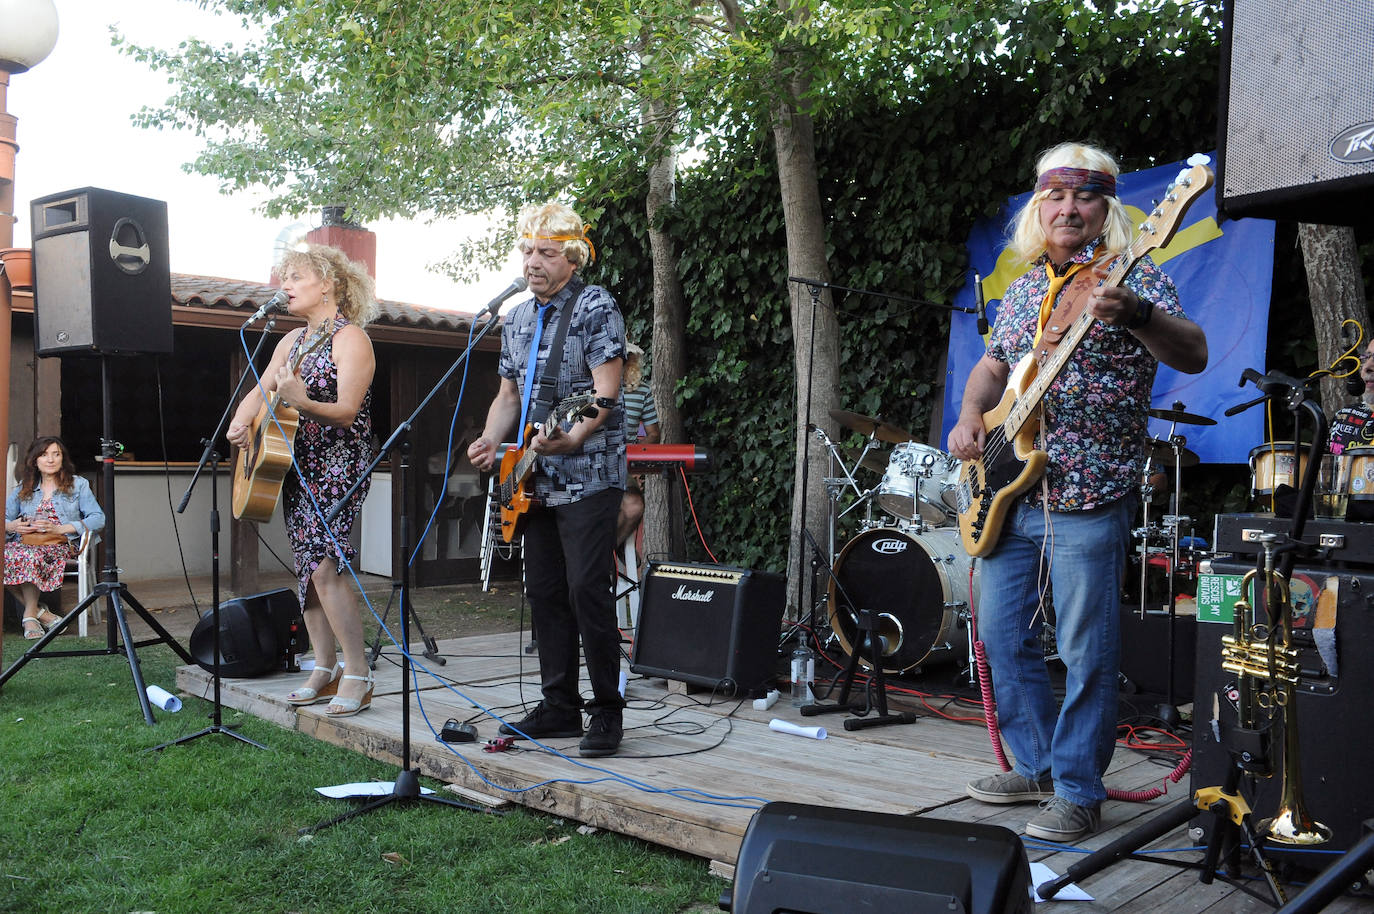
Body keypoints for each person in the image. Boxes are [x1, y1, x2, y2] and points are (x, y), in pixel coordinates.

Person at [947, 143, 1208, 843]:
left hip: (1089, 493)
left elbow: (1194, 352)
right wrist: (973, 416)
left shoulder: (1137, 272)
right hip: (1010, 491)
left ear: (1106, 209)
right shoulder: (1029, 287)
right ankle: (1033, 765)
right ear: (1040, 207)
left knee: (1086, 650)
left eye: (1084, 198)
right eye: (1055, 198)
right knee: (1003, 637)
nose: (1069, 209)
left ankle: (1078, 790)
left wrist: (1138, 315)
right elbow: (993, 368)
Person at [466, 202, 628, 758]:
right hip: (533, 477)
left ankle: (607, 708)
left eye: (547, 253)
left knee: (587, 588)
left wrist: (575, 436)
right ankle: (559, 703)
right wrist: (491, 440)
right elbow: (508, 396)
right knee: (546, 591)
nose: (533, 262)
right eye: (528, 251)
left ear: (573, 258)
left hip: (589, 473)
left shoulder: (595, 305)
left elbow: (605, 393)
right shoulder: (515, 319)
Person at [226, 244, 379, 718]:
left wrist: (303, 400)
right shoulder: (290, 341)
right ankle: (326, 666)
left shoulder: (350, 338)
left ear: (328, 283)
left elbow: (348, 412)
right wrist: (241, 421)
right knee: (307, 569)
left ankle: (358, 672)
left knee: (326, 567)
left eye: (295, 277)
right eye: (283, 278)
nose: (284, 286)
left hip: (339, 460)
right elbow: (261, 387)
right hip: (294, 462)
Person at [5, 437, 105, 638]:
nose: (50, 459)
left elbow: (98, 518)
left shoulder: (78, 485)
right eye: (44, 455)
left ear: (62, 458)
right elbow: (5, 518)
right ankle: (41, 615)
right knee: (18, 554)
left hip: (62, 543)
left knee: (28, 556)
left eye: (55, 454)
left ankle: (30, 619)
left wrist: (61, 529)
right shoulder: (25, 486)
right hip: (26, 543)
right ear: (35, 460)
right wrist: (12, 525)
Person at [616, 341, 661, 547]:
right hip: (589, 463)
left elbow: (653, 434)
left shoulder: (642, 391)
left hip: (623, 463)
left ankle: (606, 550)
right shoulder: (589, 386)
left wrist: (634, 457)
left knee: (634, 506)